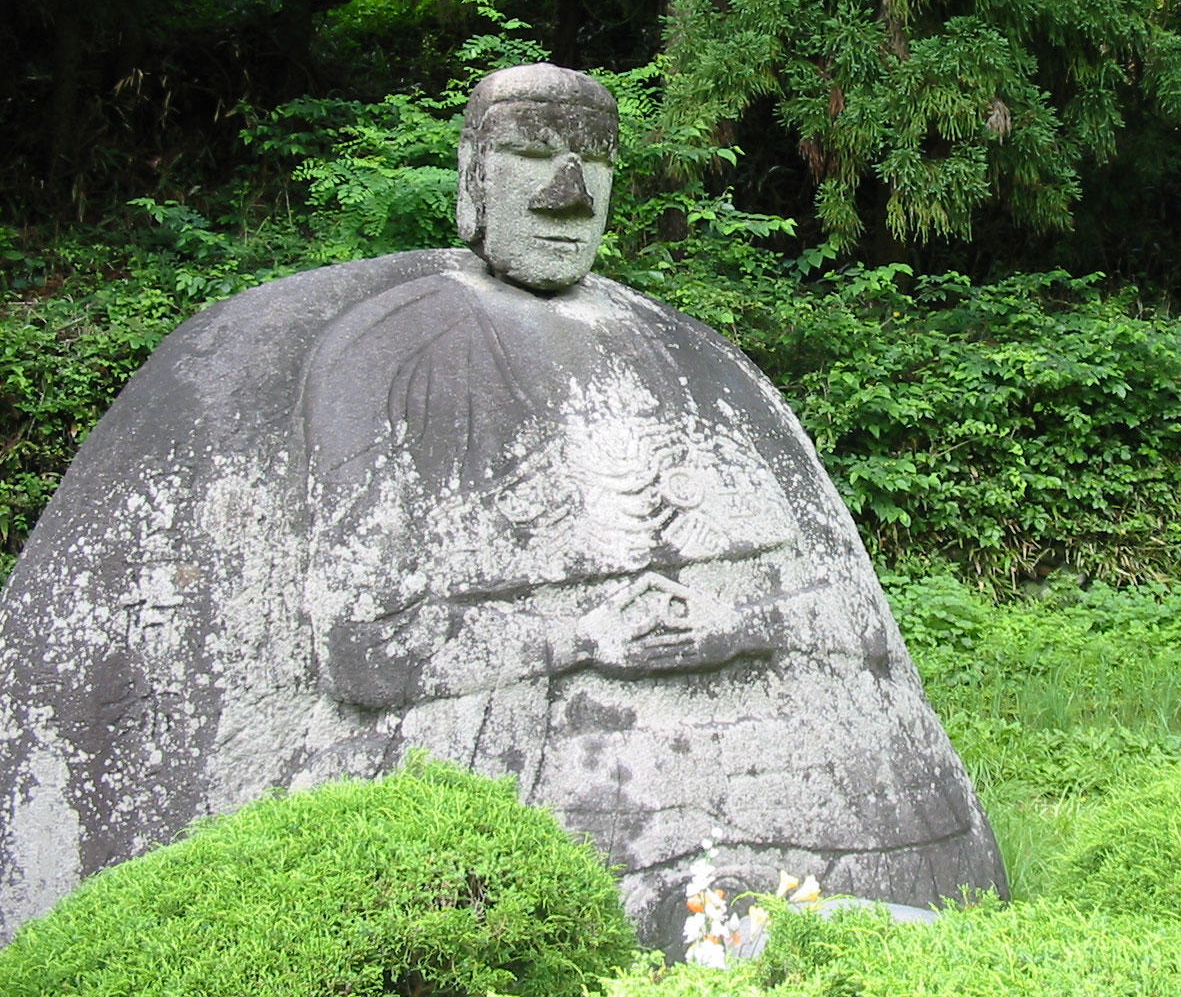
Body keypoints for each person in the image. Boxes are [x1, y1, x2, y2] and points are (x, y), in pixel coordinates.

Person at [0, 64, 1005, 949]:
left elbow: (835, 603)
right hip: (521, 748)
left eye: (591, 162)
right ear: (472, 183)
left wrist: (739, 615)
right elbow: (367, 640)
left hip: (747, 754)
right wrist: (597, 624)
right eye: (530, 154)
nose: (566, 192)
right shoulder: (394, 348)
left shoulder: (697, 363)